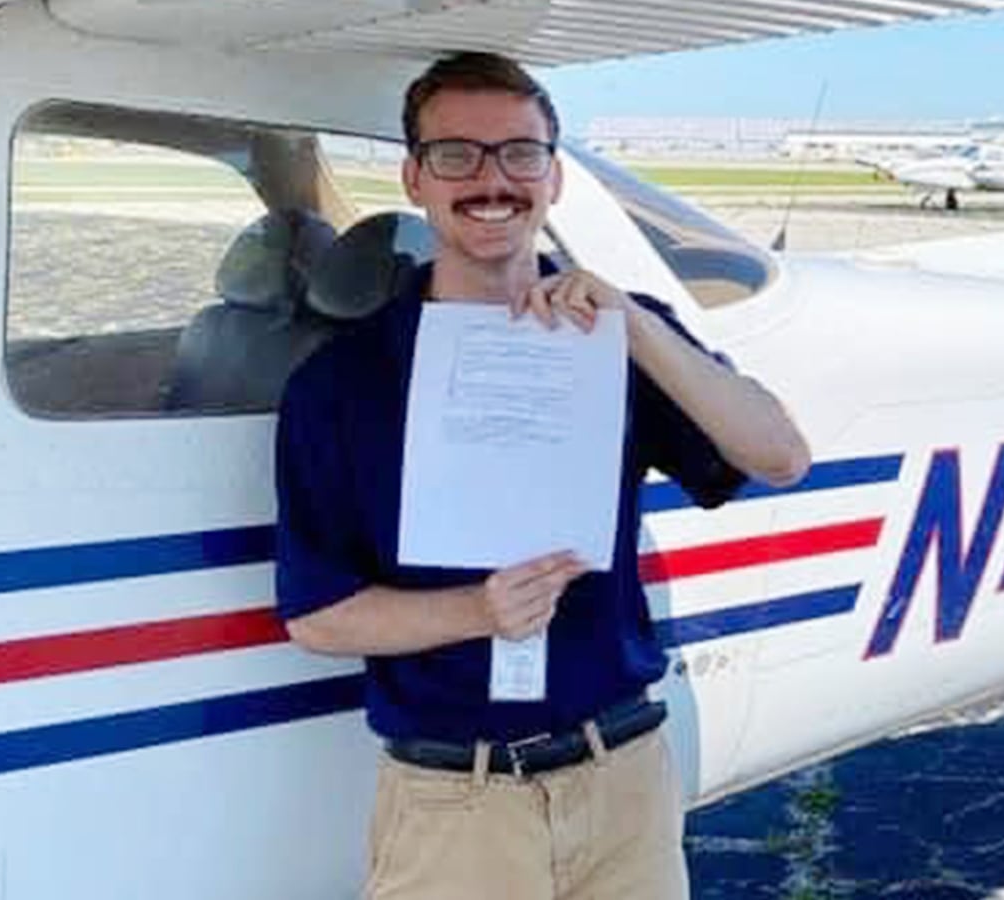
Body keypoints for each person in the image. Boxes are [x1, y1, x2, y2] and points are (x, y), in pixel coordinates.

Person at [275, 51, 811, 900]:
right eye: (457, 155)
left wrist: (633, 322)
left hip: (623, 781)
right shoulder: (341, 384)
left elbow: (779, 456)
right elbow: (318, 616)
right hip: (458, 804)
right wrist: (477, 611)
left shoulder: (619, 337)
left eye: (521, 154)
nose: (493, 180)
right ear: (415, 178)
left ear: (553, 178)